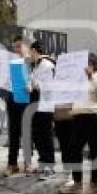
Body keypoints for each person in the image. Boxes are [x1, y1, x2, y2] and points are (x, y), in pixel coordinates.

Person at [58, 53, 97, 194]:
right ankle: (77, 181)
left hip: (93, 115)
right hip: (78, 116)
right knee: (73, 148)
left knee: (95, 151)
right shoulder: (78, 79)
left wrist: (91, 75)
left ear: (92, 65)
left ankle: (94, 183)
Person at [28, 41, 57, 180]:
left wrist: (34, 85)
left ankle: (49, 166)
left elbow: (49, 86)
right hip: (36, 104)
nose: (30, 55)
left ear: (35, 51)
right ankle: (42, 162)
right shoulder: (36, 66)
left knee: (46, 135)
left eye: (30, 52)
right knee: (37, 135)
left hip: (45, 105)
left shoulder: (47, 65)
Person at [4, 36, 30, 176]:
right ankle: (12, 164)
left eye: (19, 46)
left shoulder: (31, 62)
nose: (16, 49)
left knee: (26, 132)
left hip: (26, 101)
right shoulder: (10, 62)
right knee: (13, 133)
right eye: (14, 46)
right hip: (12, 99)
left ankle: (27, 163)